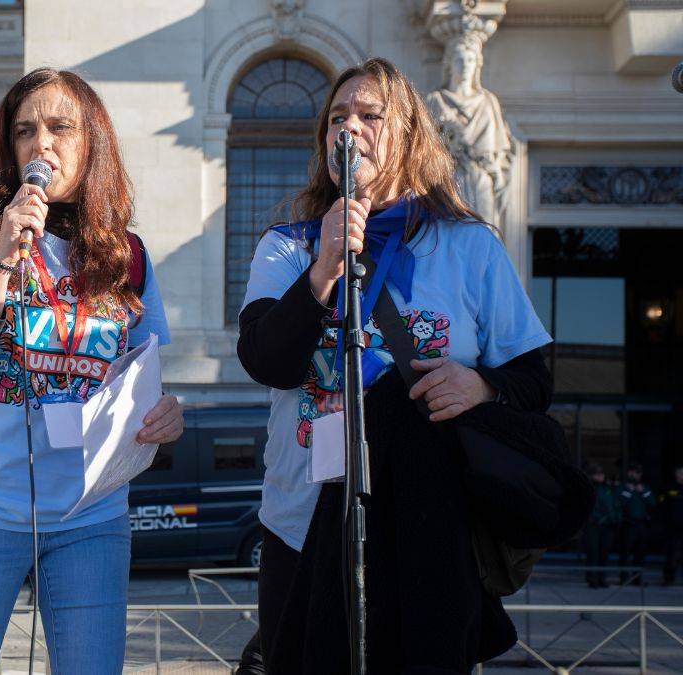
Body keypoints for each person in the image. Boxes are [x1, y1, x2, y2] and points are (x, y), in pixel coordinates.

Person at [237, 57, 553, 673]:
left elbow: (535, 382)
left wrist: (481, 385)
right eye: (337, 118)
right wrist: (324, 267)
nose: (349, 128)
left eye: (369, 115)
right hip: (301, 523)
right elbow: (267, 361)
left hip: (426, 534)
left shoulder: (468, 246)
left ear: (408, 135)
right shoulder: (287, 246)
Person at [0, 67, 182, 674]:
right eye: (25, 131)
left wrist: (164, 418)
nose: (42, 144)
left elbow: (143, 384)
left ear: (92, 143)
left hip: (91, 513)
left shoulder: (128, 255)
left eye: (61, 128)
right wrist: (0, 263)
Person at [583, 463, 619, 588]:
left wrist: (614, 517)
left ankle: (602, 578)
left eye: (601, 474)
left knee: (604, 553)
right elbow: (588, 507)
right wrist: (597, 518)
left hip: (608, 525)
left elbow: (615, 504)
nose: (600, 476)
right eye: (597, 474)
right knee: (593, 552)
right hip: (593, 525)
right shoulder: (588, 488)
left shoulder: (608, 488)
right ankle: (592, 578)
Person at [618, 462, 654, 584]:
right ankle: (623, 578)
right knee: (625, 552)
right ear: (629, 473)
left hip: (642, 524)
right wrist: (629, 491)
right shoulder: (623, 487)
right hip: (628, 524)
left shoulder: (644, 487)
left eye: (639, 473)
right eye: (634, 472)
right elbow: (618, 503)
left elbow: (652, 503)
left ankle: (637, 579)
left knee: (640, 552)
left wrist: (643, 492)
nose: (637, 475)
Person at [661, 466, 683, 585]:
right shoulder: (669, 488)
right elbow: (662, 506)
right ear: (676, 474)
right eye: (681, 473)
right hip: (674, 528)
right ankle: (668, 578)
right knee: (672, 554)